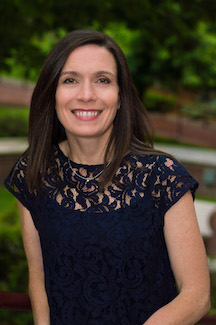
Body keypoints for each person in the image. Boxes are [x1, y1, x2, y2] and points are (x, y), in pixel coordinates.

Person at [5, 29, 210, 325]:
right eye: (70, 80)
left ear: (121, 97)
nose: (86, 95)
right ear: (52, 94)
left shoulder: (162, 177)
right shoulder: (33, 172)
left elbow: (197, 296)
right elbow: (38, 276)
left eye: (102, 80)